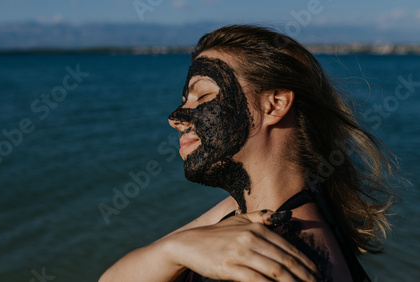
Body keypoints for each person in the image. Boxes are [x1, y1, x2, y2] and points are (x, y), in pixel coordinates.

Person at [100, 25, 399, 281]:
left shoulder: (275, 260)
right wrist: (173, 251)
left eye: (203, 95)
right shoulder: (246, 212)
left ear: (274, 105)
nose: (175, 118)